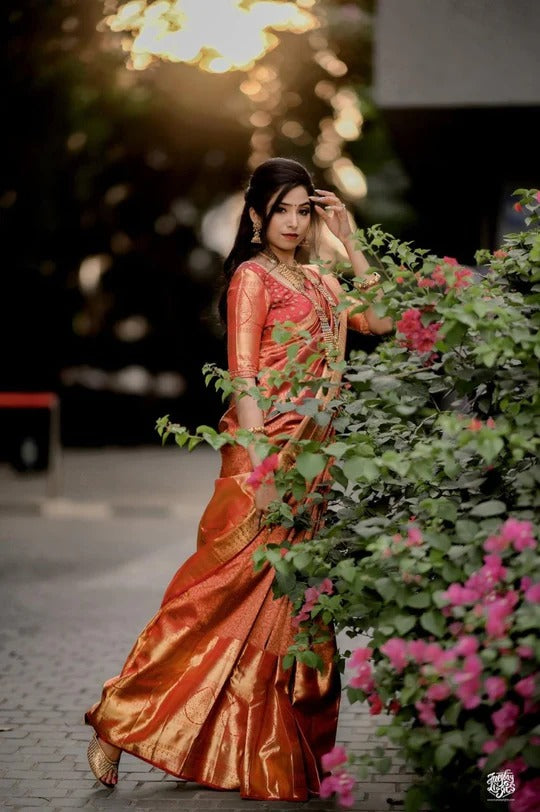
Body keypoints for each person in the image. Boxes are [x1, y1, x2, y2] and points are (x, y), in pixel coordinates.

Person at [85, 157, 393, 801]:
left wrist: (351, 238)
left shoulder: (323, 279)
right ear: (255, 217)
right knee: (220, 598)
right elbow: (244, 376)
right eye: (280, 209)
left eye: (302, 209)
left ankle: (266, 747)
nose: (292, 221)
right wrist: (264, 473)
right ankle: (121, 718)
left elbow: (386, 322)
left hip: (317, 468)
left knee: (293, 611)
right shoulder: (252, 279)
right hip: (267, 467)